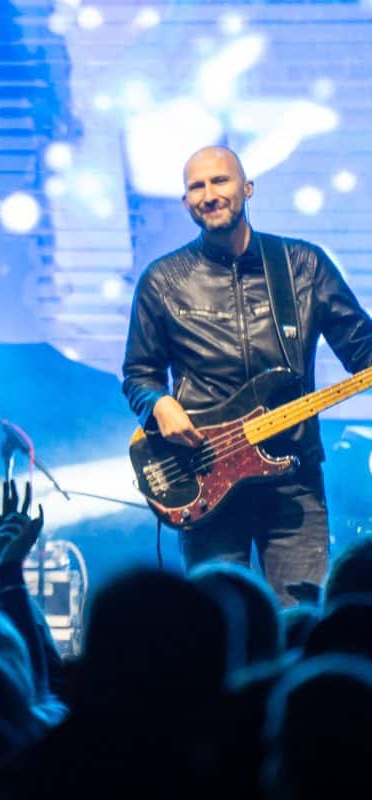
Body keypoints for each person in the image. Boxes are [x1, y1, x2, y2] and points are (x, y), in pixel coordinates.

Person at [122, 146, 372, 605]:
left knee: (301, 617)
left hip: (294, 479)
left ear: (247, 188)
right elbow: (139, 373)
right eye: (196, 187)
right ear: (185, 201)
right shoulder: (162, 280)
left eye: (220, 181)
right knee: (218, 625)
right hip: (205, 473)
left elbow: (362, 349)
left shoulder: (303, 265)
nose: (209, 194)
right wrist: (158, 404)